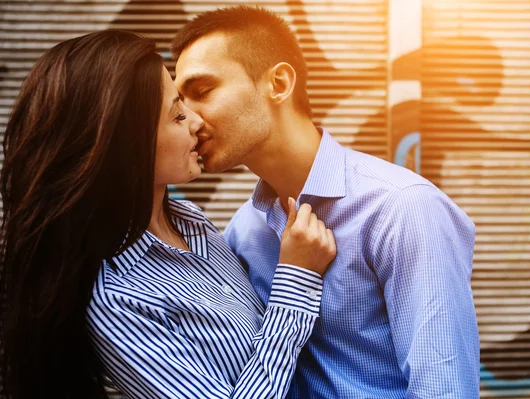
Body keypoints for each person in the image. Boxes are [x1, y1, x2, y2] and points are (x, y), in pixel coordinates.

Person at [0, 30, 336, 399]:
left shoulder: (194, 223)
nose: (197, 122)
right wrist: (295, 281)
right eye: (177, 115)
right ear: (128, 143)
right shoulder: (117, 297)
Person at [172, 5, 480, 398]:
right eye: (180, 104)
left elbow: (444, 388)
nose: (189, 120)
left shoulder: (402, 209)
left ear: (279, 83)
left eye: (202, 92)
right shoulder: (243, 232)